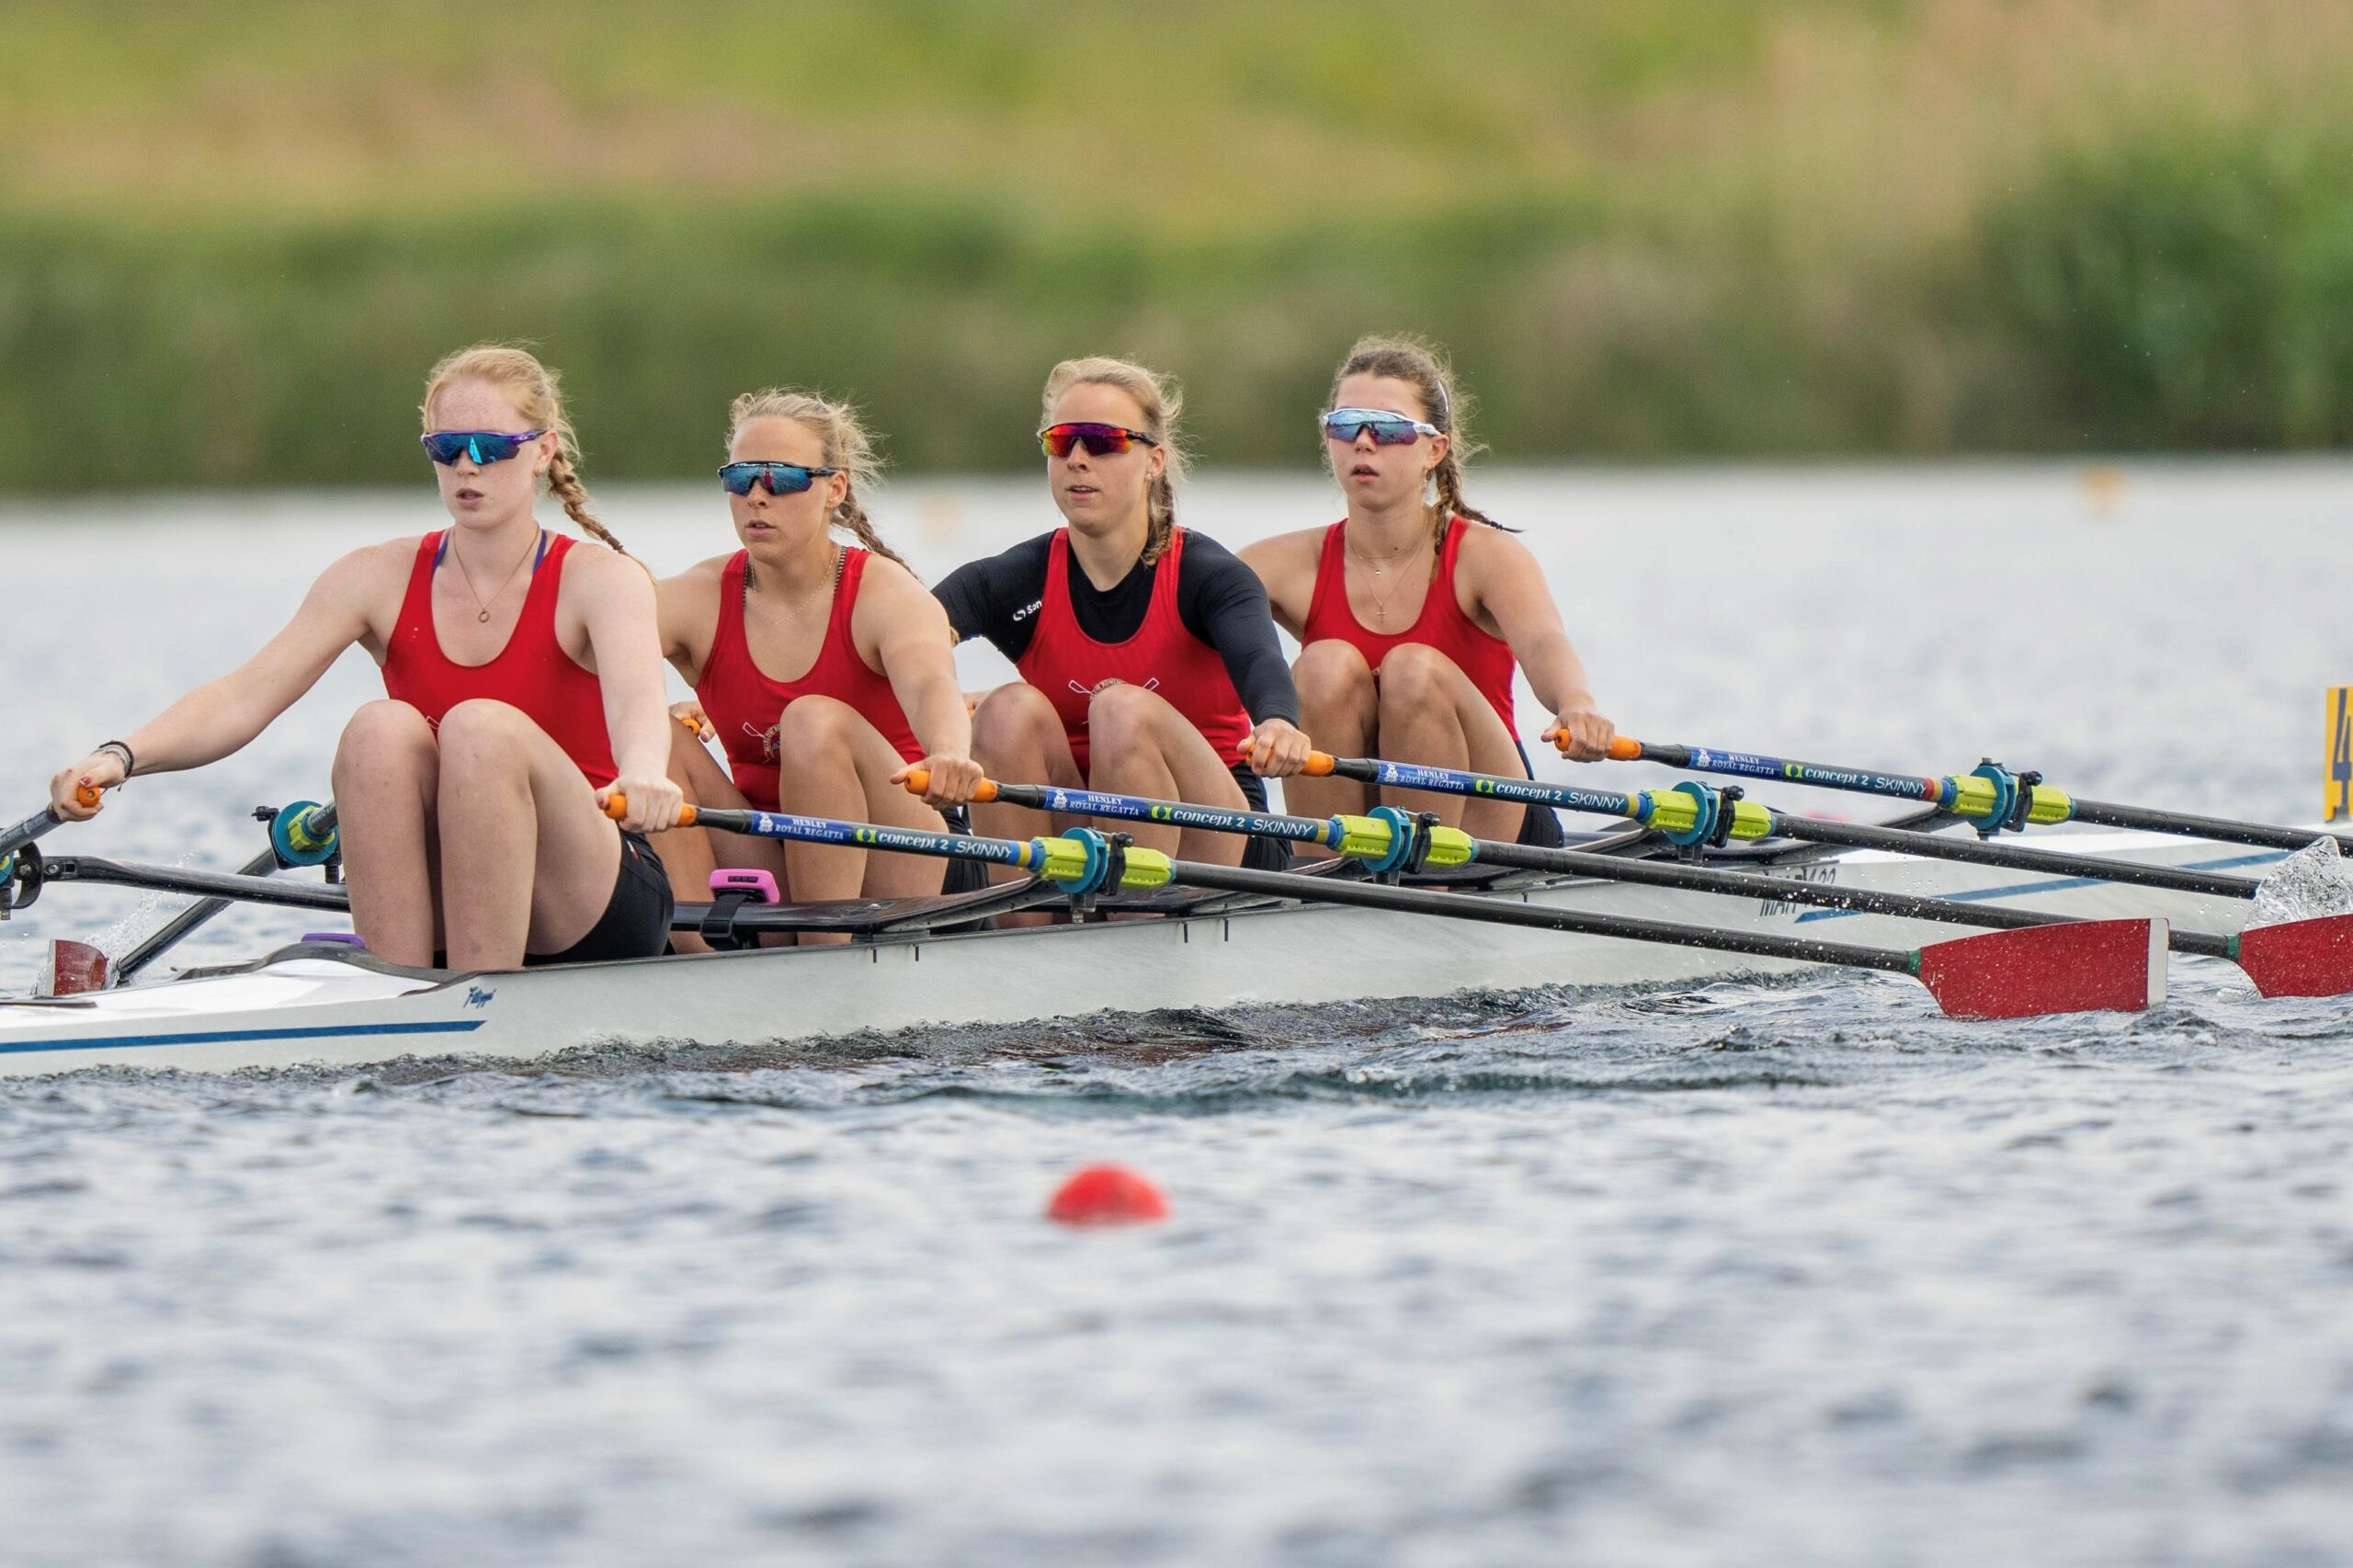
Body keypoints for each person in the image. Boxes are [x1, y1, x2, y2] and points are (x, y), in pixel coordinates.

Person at [47, 344, 683, 969]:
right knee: (377, 729)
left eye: (491, 448)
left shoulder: (602, 581)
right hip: (451, 894)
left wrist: (645, 771)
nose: (467, 465)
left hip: (592, 898)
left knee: (479, 726)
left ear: (542, 451)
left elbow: (637, 705)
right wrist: (118, 756)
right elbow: (245, 694)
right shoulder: (373, 576)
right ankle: (396, 989)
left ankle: (479, 1001)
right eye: (446, 448)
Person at [934, 357, 1309, 869]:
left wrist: (1279, 723)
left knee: (1119, 707)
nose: (1078, 459)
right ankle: (1025, 925)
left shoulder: (1210, 575)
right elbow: (906, 637)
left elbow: (1261, 663)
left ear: (1154, 461)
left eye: (1104, 441)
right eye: (1062, 441)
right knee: (1005, 711)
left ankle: (1135, 917)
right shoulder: (1014, 578)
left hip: (1224, 836)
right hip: (1083, 825)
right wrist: (938, 717)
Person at [1241, 335, 1615, 844]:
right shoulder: (1281, 563)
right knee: (1322, 665)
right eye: (1346, 425)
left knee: (1413, 669)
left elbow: (1544, 642)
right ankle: (1327, 878)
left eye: (1389, 428)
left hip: (1493, 818)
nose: (1364, 442)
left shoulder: (1486, 556)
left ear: (1434, 449)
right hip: (1360, 818)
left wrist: (1577, 703)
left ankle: (1431, 878)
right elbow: (1182, 614)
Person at [656, 390, 981, 945]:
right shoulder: (699, 595)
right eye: (740, 479)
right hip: (769, 843)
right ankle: (694, 965)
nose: (757, 497)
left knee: (811, 720)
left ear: (835, 488)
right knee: (653, 734)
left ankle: (819, 963)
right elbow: (585, 655)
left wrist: (949, 751)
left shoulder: (885, 594)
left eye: (780, 479)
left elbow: (931, 683)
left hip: (908, 849)